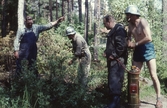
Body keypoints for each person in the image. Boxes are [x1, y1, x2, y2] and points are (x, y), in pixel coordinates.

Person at [125, 5, 162, 108]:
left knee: (153, 75)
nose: (127, 16)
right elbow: (129, 34)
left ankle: (158, 99)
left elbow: (149, 38)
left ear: (134, 15)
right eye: (127, 14)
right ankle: (135, 99)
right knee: (134, 75)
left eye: (129, 14)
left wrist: (135, 44)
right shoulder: (130, 24)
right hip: (138, 50)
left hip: (148, 48)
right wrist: (128, 41)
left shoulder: (143, 22)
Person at [103, 15, 128, 108]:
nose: (104, 25)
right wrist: (106, 52)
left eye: (104, 23)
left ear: (109, 21)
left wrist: (113, 55)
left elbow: (121, 46)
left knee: (115, 80)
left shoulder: (119, 30)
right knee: (112, 80)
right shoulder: (114, 31)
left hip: (118, 61)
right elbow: (113, 44)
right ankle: (114, 103)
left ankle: (115, 103)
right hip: (113, 61)